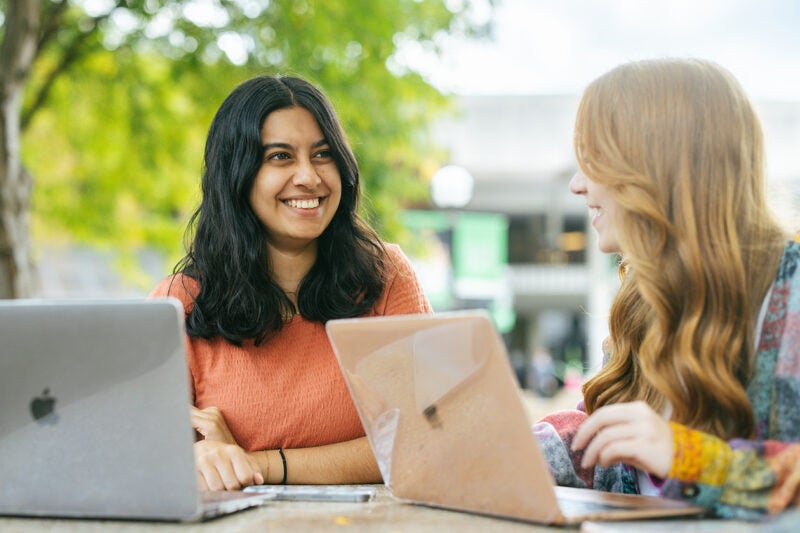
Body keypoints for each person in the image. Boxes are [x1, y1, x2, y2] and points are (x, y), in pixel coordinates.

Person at [534, 58, 800, 520]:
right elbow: (605, 438)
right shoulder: (642, 298)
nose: (577, 185)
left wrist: (689, 457)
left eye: (594, 159)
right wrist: (503, 449)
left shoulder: (791, 292)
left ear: (657, 162)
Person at [149, 75, 431, 491]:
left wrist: (255, 462)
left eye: (322, 154)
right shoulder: (179, 302)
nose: (309, 177)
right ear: (237, 175)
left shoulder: (385, 275)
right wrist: (196, 456)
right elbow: (146, 452)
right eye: (280, 157)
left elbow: (418, 441)